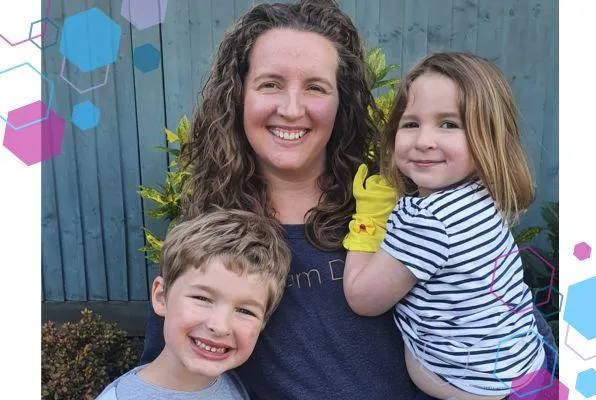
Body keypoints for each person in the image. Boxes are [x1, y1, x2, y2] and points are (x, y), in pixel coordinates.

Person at [140, 0, 421, 398]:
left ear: (342, 103)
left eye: (315, 87)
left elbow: (491, 328)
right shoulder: (207, 233)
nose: (291, 109)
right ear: (238, 94)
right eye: (270, 83)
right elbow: (165, 381)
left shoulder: (400, 212)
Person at [342, 52, 550, 399]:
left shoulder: (429, 221)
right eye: (411, 123)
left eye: (448, 124)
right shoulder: (483, 196)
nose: (424, 140)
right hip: (526, 367)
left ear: (488, 137)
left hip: (472, 388)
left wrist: (368, 218)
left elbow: (362, 298)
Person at [96, 210, 291, 400]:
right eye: (202, 299)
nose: (220, 326)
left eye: (244, 310)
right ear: (161, 296)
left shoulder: (238, 387)